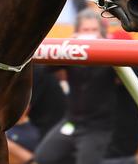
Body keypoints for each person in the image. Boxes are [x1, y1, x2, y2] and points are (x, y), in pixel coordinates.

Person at [33, 9, 118, 164]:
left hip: (97, 127)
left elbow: (134, 76)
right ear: (77, 32)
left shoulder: (111, 54)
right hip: (71, 121)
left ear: (102, 32)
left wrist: (104, 47)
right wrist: (68, 46)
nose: (90, 34)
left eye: (94, 30)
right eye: (85, 30)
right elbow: (46, 68)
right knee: (43, 157)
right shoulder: (72, 52)